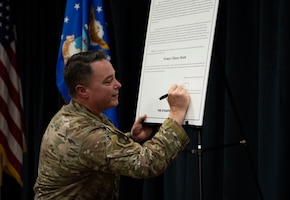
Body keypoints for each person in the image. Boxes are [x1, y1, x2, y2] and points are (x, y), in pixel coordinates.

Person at [33, 50, 190, 200]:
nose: (118, 84)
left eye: (114, 77)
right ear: (82, 91)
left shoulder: (73, 114)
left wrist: (132, 138)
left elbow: (97, 152)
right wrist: (176, 114)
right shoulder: (83, 132)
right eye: (108, 81)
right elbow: (148, 163)